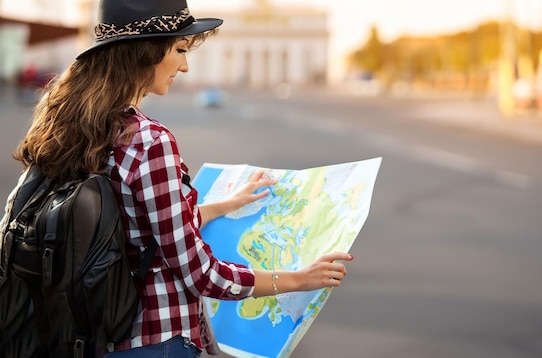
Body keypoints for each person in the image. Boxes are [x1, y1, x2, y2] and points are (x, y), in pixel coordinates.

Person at [11, 0, 353, 356]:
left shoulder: (75, 126)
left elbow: (134, 225)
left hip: (92, 336)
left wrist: (226, 205)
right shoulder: (147, 140)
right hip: (156, 340)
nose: (185, 66)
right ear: (147, 51)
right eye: (179, 50)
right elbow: (200, 272)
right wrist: (298, 280)